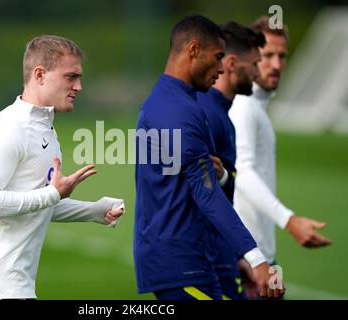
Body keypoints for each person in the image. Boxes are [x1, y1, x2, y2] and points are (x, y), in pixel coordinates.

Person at [0, 35, 124, 300]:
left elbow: (36, 204)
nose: (78, 87)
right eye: (70, 77)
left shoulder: (45, 128)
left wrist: (94, 211)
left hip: (5, 289)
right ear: (40, 75)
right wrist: (53, 193)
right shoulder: (9, 128)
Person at [134, 15, 284, 301]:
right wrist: (256, 258)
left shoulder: (177, 103)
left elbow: (195, 188)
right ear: (193, 50)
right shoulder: (176, 110)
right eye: (216, 58)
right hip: (182, 266)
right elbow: (207, 194)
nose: (220, 68)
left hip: (192, 263)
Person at [229, 17, 332, 292]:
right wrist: (290, 220)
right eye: (268, 55)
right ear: (251, 55)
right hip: (247, 260)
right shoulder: (245, 105)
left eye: (282, 56)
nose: (276, 65)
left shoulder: (256, 107)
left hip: (257, 257)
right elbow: (244, 172)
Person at [197, 21, 266, 300]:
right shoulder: (206, 114)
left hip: (221, 258)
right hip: (205, 264)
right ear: (233, 63)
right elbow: (203, 196)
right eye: (255, 64)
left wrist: (236, 255)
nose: (258, 73)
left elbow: (221, 190)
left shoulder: (222, 115)